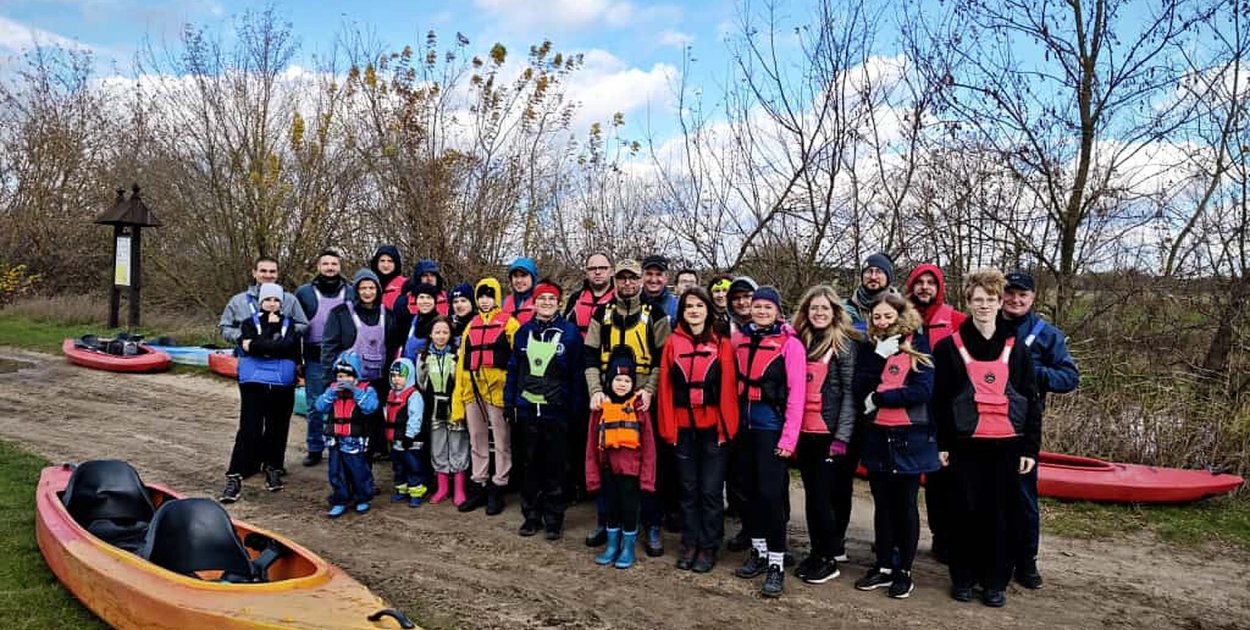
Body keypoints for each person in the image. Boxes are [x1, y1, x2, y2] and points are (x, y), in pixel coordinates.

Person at [931, 268, 1043, 608]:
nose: (984, 305)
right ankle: (963, 578)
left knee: (1001, 515)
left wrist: (1030, 447)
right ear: (968, 302)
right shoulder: (950, 346)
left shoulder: (1017, 348)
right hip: (964, 445)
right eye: (977, 299)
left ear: (999, 302)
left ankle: (995, 581)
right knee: (963, 511)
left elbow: (1030, 398)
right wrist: (942, 444)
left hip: (1007, 445)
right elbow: (939, 401)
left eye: (990, 299)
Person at [850, 293, 939, 600]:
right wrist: (878, 358)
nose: (883, 322)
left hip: (910, 437)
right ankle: (884, 565)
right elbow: (859, 386)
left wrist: (880, 397)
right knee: (882, 505)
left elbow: (922, 390)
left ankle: (905, 570)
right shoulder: (869, 348)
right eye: (877, 317)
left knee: (905, 505)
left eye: (888, 316)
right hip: (877, 435)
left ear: (901, 316)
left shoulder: (919, 345)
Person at [583, 259, 673, 557]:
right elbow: (591, 356)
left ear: (639, 281)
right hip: (609, 400)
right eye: (621, 279)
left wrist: (649, 391)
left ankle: (652, 525)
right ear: (615, 281)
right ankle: (606, 523)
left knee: (646, 462)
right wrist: (596, 391)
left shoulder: (654, 314)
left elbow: (663, 358)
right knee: (606, 461)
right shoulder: (603, 314)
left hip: (642, 400)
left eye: (632, 278)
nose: (627, 284)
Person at [1001, 270, 1079, 589]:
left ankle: (1026, 561)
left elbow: (1069, 378)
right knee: (986, 496)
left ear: (1032, 298)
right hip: (981, 426)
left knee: (1022, 497)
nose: (1016, 299)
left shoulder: (1047, 335)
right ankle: (990, 558)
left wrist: (1033, 372)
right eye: (1010, 293)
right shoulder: (986, 326)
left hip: (1022, 428)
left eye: (1023, 295)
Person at [656, 287, 739, 573]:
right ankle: (690, 543)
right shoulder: (672, 344)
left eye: (699, 306)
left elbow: (728, 390)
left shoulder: (722, 345)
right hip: (683, 429)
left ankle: (709, 545)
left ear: (708, 310)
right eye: (688, 306)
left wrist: (727, 428)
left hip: (713, 428)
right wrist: (668, 428)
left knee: (711, 491)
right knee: (688, 490)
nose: (693, 310)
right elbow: (665, 390)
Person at [731, 286, 805, 598]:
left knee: (771, 496)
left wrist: (789, 439)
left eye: (767, 307)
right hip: (744, 430)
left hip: (771, 430)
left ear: (777, 310)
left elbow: (797, 396)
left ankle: (776, 562)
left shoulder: (791, 345)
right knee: (747, 494)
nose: (761, 311)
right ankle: (759, 552)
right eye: (757, 306)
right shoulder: (741, 339)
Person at [504, 279, 585, 539]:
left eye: (551, 299)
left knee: (556, 467)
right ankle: (531, 516)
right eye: (542, 299)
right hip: (527, 410)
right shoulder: (523, 332)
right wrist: (510, 402)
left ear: (559, 303)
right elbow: (514, 370)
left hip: (557, 411)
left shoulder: (570, 333)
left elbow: (577, 373)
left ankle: (553, 518)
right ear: (534, 303)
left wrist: (575, 408)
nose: (547, 303)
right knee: (529, 465)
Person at [790, 285, 857, 585]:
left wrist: (842, 437)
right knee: (812, 498)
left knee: (824, 499)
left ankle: (829, 557)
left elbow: (849, 394)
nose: (818, 313)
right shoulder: (800, 342)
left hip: (829, 434)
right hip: (804, 431)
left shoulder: (844, 345)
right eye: (813, 308)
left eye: (824, 309)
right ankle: (817, 552)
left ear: (834, 313)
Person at [905, 263, 967, 564]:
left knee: (943, 481)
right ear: (912, 286)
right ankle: (896, 537)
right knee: (905, 479)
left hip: (945, 412)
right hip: (910, 407)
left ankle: (945, 539)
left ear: (939, 287)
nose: (925, 287)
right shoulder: (899, 316)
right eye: (920, 282)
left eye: (931, 282)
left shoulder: (956, 320)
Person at [220, 282, 301, 504]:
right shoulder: (248, 323)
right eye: (268, 300)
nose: (272, 304)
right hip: (254, 382)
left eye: (276, 300)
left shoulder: (290, 324)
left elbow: (288, 347)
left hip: (281, 382)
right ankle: (235, 473)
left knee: (278, 426)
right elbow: (253, 345)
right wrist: (269, 335)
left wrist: (259, 346)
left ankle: (273, 466)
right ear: (261, 301)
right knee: (250, 427)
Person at [454, 277, 520, 515]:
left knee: (502, 442)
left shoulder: (510, 324)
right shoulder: (470, 326)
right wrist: (459, 399)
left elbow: (517, 361)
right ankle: (479, 482)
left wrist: (513, 395)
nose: (484, 300)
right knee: (477, 439)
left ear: (496, 298)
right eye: (481, 296)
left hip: (498, 391)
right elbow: (462, 363)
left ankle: (499, 485)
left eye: (489, 296)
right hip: (473, 390)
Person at [586, 348, 657, 570]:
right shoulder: (601, 407)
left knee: (629, 509)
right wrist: (592, 475)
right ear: (610, 381)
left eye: (627, 380)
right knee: (610, 508)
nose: (622, 384)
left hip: (631, 472)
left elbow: (649, 445)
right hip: (608, 469)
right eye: (618, 379)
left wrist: (647, 478)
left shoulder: (639, 407)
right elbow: (591, 444)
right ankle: (612, 545)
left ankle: (627, 548)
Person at [321, 269, 395, 458]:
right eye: (363, 288)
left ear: (378, 290)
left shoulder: (387, 315)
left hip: (377, 382)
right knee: (350, 430)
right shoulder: (341, 313)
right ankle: (345, 478)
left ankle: (366, 479)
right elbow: (329, 347)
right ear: (356, 290)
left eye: (371, 288)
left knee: (372, 433)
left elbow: (393, 347)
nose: (367, 292)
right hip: (348, 383)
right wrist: (331, 379)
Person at [562, 252, 616, 513]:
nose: (597, 272)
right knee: (576, 430)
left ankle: (607, 488)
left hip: (608, 376)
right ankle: (576, 483)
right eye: (592, 268)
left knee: (607, 434)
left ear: (611, 271)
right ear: (586, 272)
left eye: (602, 268)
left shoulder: (618, 300)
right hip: (577, 373)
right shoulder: (575, 300)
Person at [294, 249, 354, 467]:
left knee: (345, 402)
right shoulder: (304, 293)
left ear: (340, 267)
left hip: (344, 358)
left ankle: (343, 446)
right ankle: (315, 447)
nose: (330, 268)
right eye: (326, 264)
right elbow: (296, 328)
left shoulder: (351, 291)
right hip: (314, 357)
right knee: (315, 405)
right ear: (318, 267)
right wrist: (297, 360)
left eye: (334, 264)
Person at [315, 351, 379, 518]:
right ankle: (340, 500)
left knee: (358, 470)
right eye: (340, 376)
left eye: (348, 376)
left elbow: (371, 407)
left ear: (356, 375)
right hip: (335, 439)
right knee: (336, 471)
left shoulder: (366, 390)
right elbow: (320, 407)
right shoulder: (332, 390)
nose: (343, 380)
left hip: (355, 440)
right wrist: (331, 393)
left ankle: (362, 497)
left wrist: (355, 391)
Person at [418, 317, 469, 506]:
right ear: (430, 334)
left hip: (454, 407)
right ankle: (442, 488)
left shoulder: (458, 355)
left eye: (445, 332)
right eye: (437, 332)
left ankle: (459, 489)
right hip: (433, 408)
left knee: (458, 445)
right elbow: (421, 382)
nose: (441, 336)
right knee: (438, 446)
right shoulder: (423, 357)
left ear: (451, 335)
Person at [219, 255, 308, 344]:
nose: (268, 275)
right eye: (263, 271)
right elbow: (224, 328)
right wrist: (244, 336)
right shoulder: (237, 301)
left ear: (277, 274)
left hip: (282, 353)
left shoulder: (290, 300)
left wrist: (285, 330)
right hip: (248, 353)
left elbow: (303, 325)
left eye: (272, 271)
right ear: (254, 273)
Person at [385, 358, 427, 506]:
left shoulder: (414, 395)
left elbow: (416, 417)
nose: (396, 379)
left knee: (413, 467)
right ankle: (401, 490)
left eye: (400, 376)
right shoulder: (391, 394)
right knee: (398, 467)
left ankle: (416, 492)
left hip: (410, 442)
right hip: (396, 441)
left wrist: (409, 435)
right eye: (393, 376)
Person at [845, 252, 896, 331]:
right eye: (869, 271)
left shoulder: (902, 310)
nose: (873, 277)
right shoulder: (844, 310)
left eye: (879, 272)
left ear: (888, 278)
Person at [394, 283, 441, 361]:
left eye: (429, 298)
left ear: (435, 301)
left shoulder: (441, 323)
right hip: (408, 370)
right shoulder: (410, 321)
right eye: (421, 297)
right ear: (416, 301)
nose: (425, 301)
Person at [640, 255, 679, 321]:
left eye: (658, 274)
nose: (653, 280)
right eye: (649, 274)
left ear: (666, 278)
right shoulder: (631, 304)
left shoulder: (677, 307)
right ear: (642, 276)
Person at [502, 257, 538, 325]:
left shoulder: (541, 303)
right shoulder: (503, 303)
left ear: (533, 278)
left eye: (523, 276)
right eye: (515, 276)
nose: (519, 280)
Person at [371, 245, 406, 310]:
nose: (386, 265)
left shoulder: (405, 284)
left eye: (390, 261)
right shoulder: (369, 283)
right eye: (382, 261)